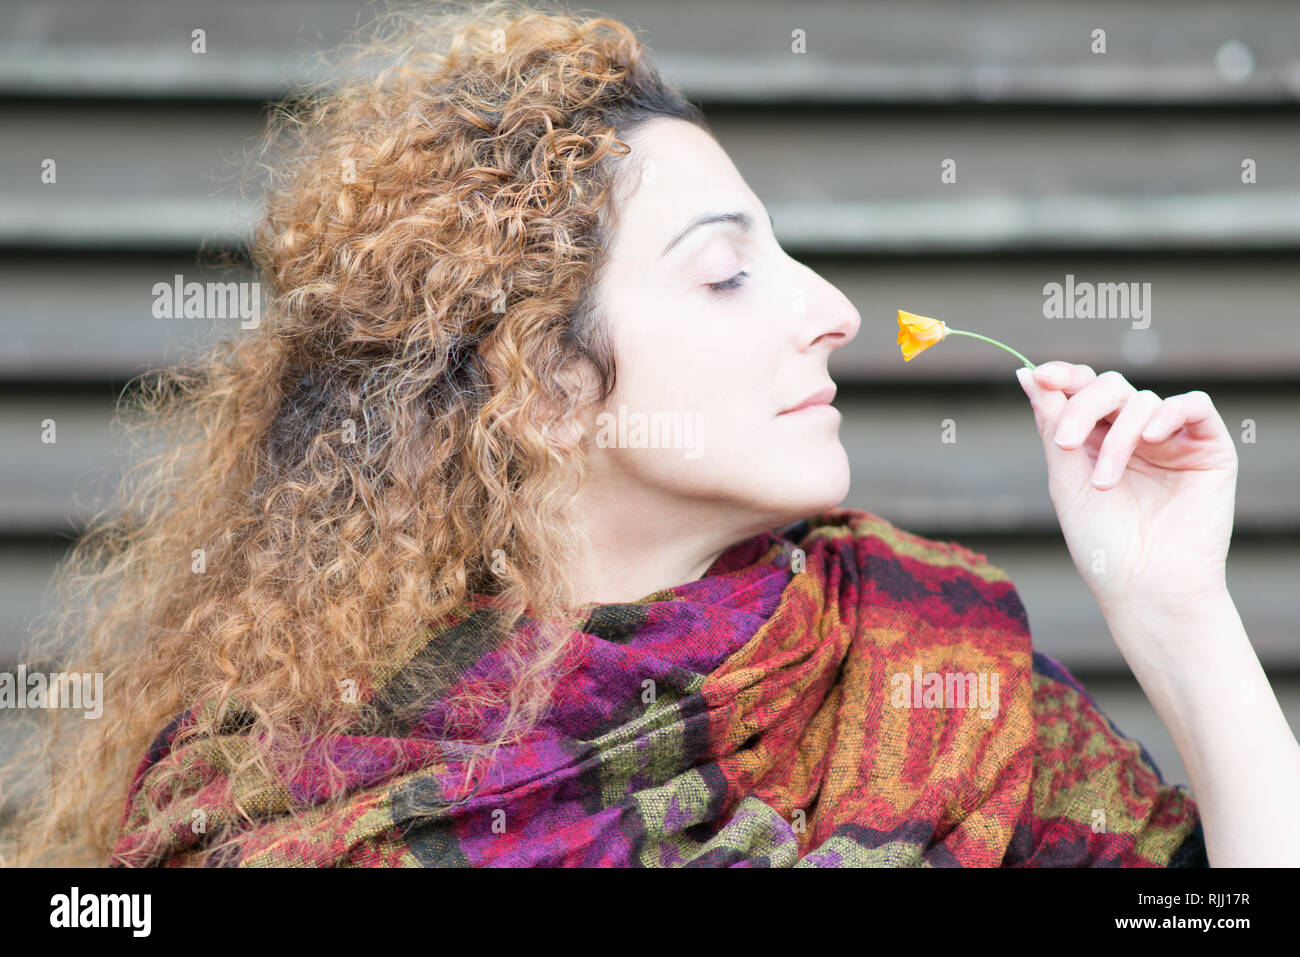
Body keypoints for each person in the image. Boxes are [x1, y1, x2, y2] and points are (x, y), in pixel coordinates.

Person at [3, 0, 1296, 867]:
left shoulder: (939, 663)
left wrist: (1179, 611)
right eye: (729, 271)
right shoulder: (279, 784)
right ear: (546, 382)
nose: (836, 311)